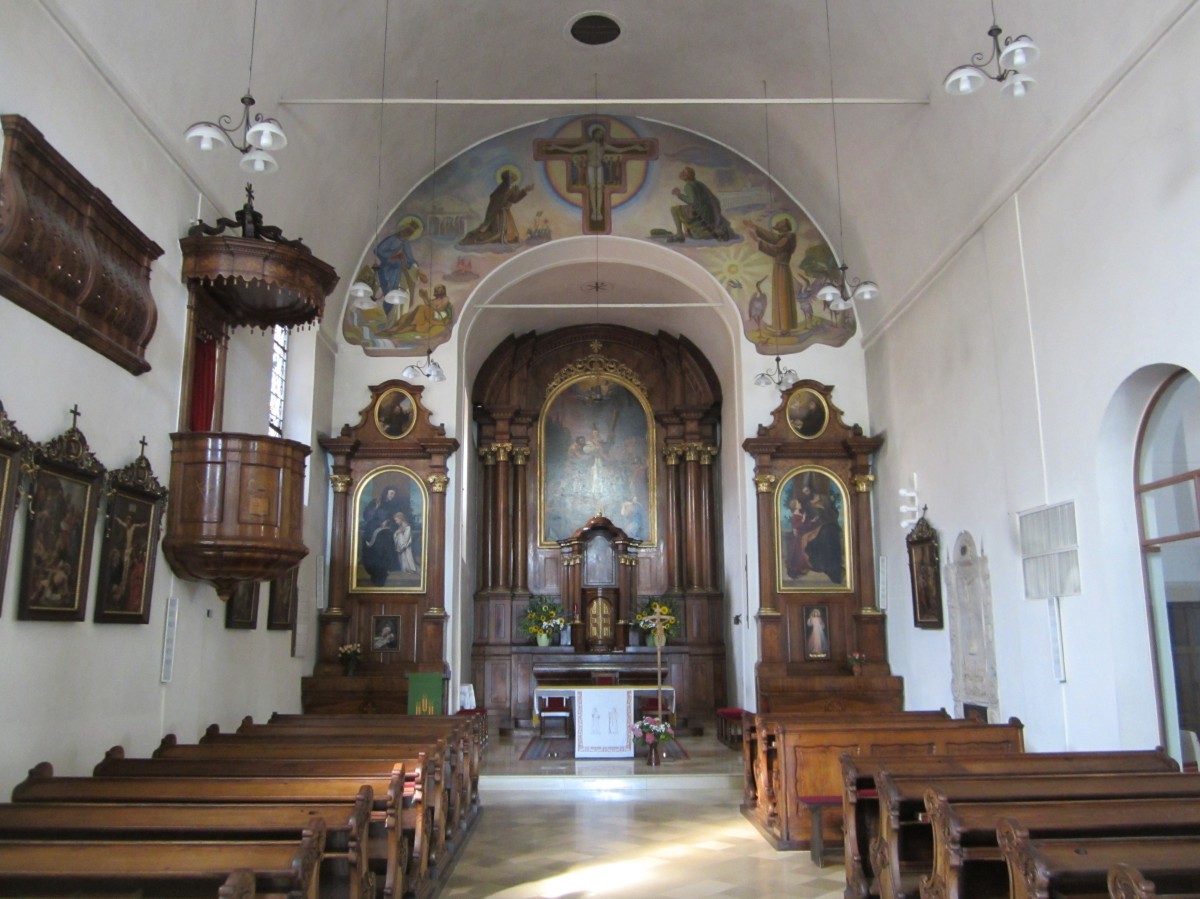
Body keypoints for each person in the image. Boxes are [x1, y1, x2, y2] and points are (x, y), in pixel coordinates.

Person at [542, 123, 652, 227]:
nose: (600, 135)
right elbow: (572, 149)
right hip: (590, 167)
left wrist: (635, 148)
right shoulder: (589, 145)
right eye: (598, 133)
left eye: (601, 134)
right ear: (593, 134)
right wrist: (555, 147)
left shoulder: (604, 146)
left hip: (599, 167)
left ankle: (598, 211)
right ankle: (593, 211)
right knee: (592, 189)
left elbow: (620, 149)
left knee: (599, 189)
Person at [743, 216, 798, 334]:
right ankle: (782, 326)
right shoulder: (783, 237)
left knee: (782, 296)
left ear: (783, 228)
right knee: (779, 295)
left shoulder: (788, 238)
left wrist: (757, 241)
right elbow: (770, 237)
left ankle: (785, 327)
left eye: (779, 227)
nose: (777, 230)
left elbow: (776, 250)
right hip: (779, 267)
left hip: (782, 268)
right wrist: (755, 227)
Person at [460, 168, 534, 245]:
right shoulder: (501, 190)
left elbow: (514, 199)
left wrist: (525, 190)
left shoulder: (509, 189)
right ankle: (477, 238)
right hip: (498, 215)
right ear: (508, 179)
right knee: (496, 233)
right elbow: (498, 203)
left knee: (510, 234)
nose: (513, 179)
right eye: (511, 177)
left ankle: (504, 237)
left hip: (505, 213)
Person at [669, 166, 733, 242]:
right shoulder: (700, 184)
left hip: (699, 212)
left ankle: (679, 234)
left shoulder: (689, 185)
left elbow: (692, 201)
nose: (682, 173)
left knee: (674, 209)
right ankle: (719, 232)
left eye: (684, 173)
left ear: (688, 176)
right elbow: (714, 199)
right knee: (695, 235)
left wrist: (679, 194)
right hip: (708, 213)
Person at [375, 219, 428, 300]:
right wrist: (393, 256)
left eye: (410, 233)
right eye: (407, 231)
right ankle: (381, 292)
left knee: (396, 287)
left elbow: (410, 259)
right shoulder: (392, 239)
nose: (408, 234)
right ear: (403, 229)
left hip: (397, 269)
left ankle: (390, 297)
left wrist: (418, 271)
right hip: (386, 265)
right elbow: (378, 250)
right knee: (386, 282)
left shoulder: (405, 243)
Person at [379, 283, 453, 339]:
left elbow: (439, 309)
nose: (436, 290)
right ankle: (393, 329)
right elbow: (429, 303)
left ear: (443, 290)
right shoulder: (435, 300)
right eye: (436, 288)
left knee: (421, 308)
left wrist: (426, 298)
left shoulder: (445, 298)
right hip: (428, 312)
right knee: (408, 316)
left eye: (439, 288)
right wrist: (424, 297)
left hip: (437, 315)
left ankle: (397, 331)